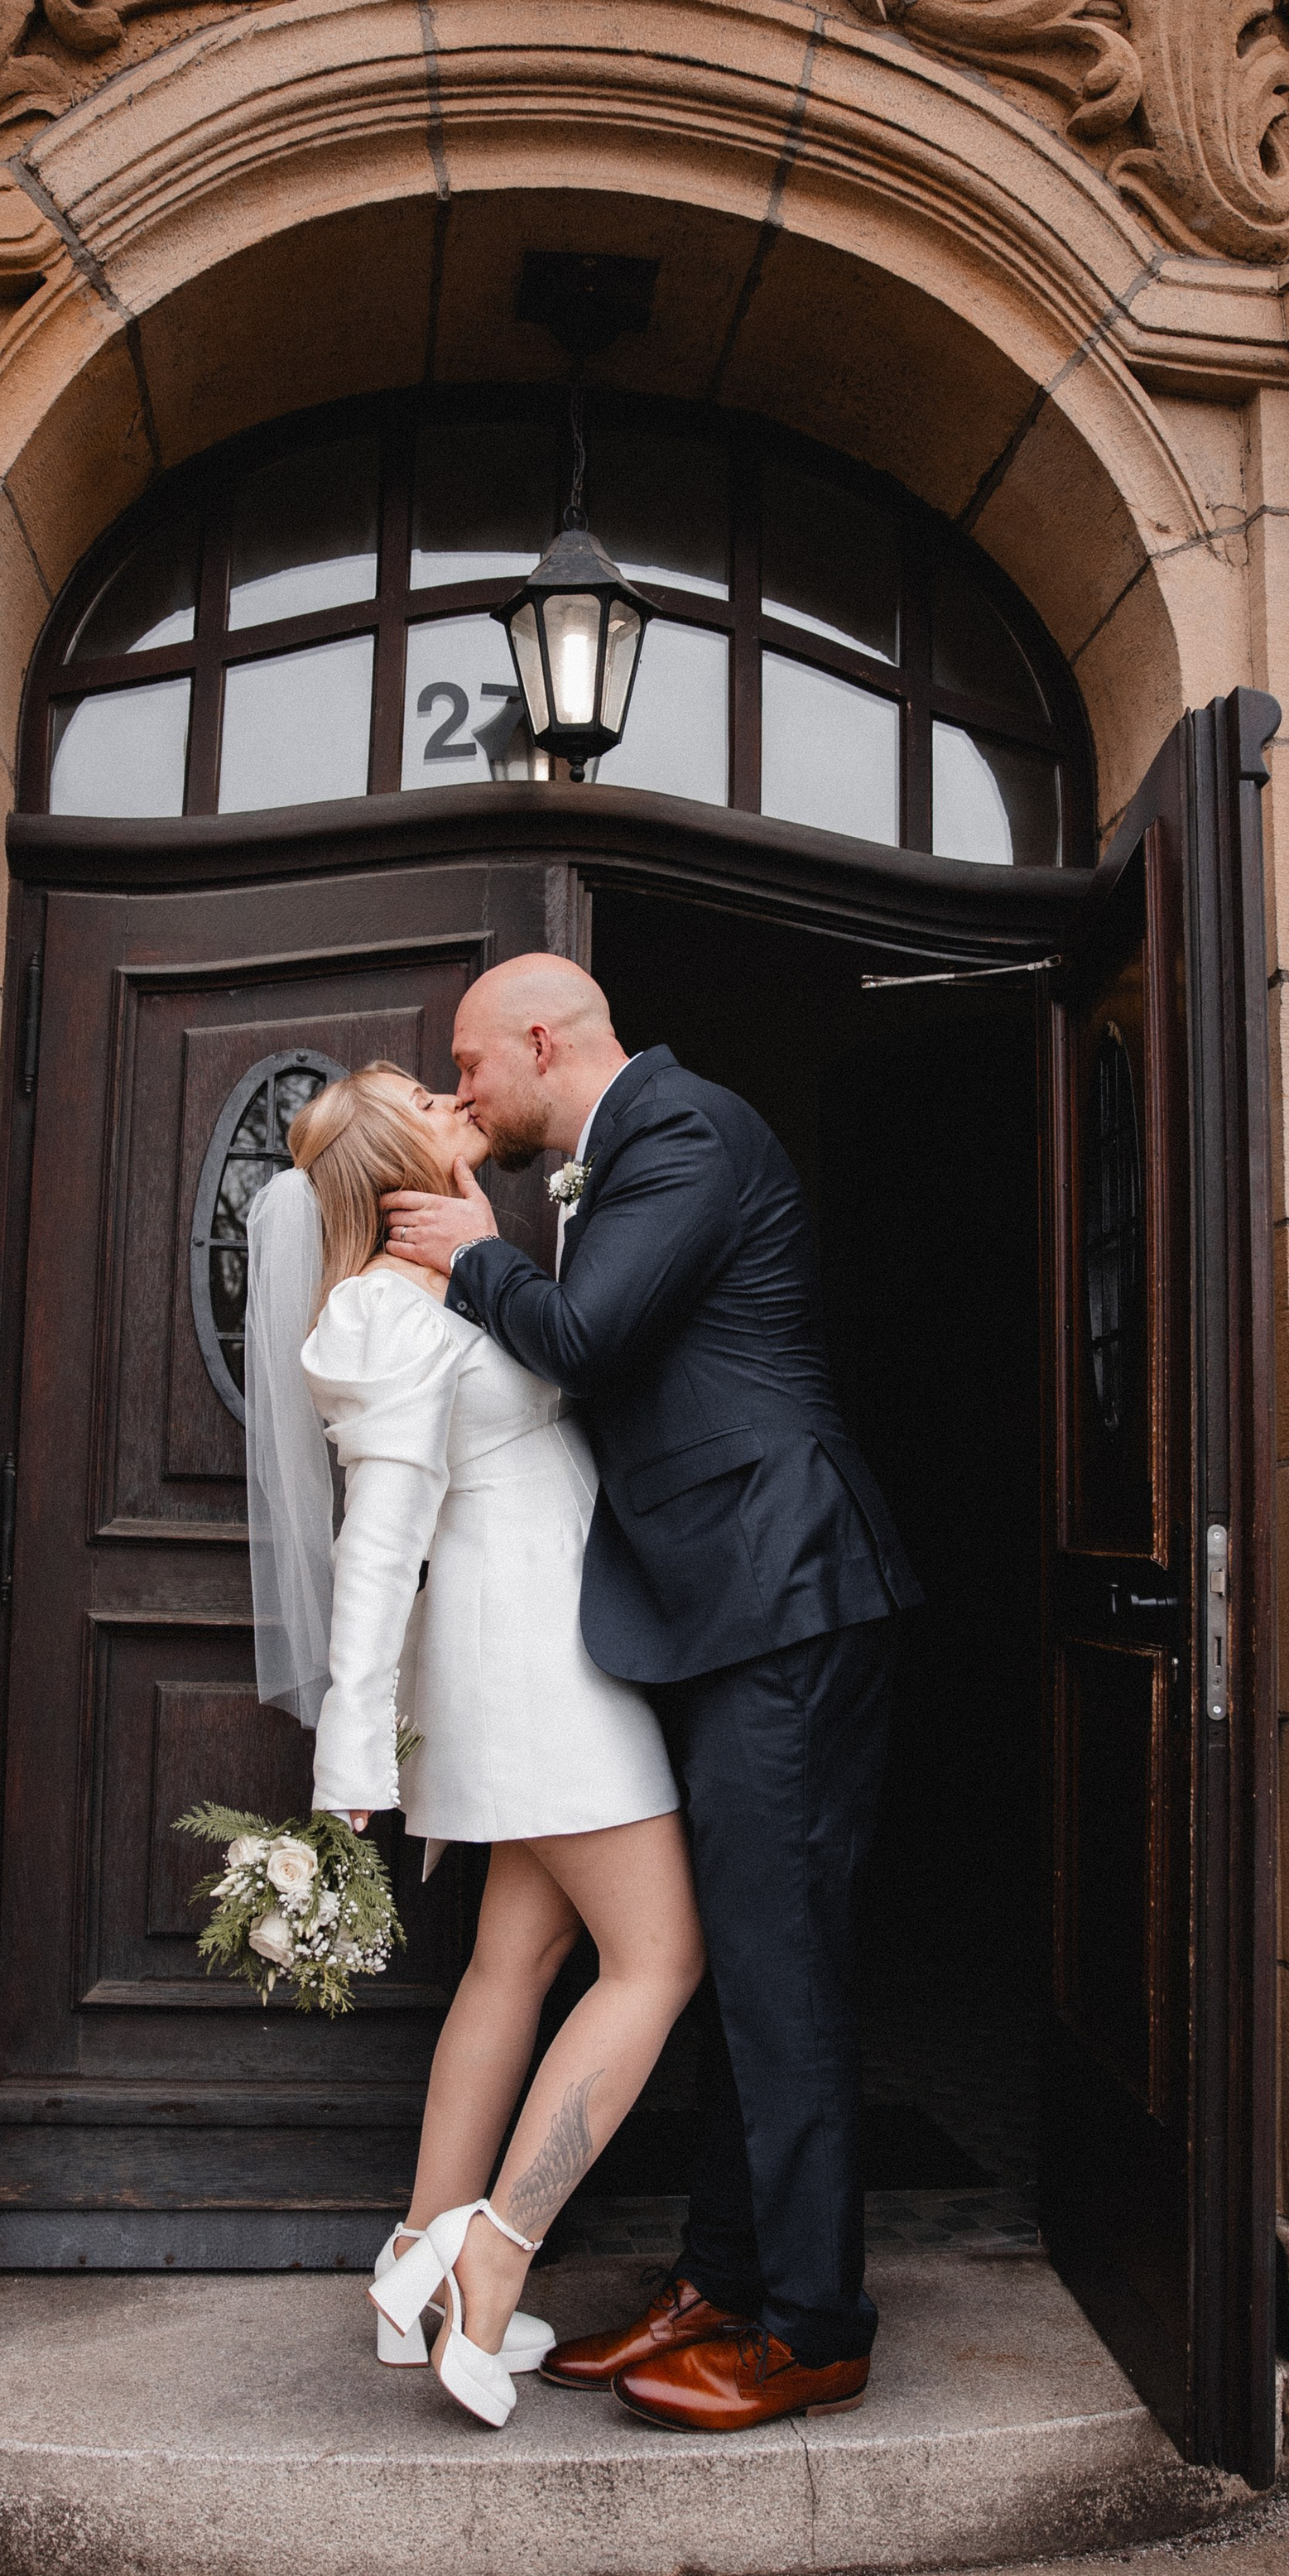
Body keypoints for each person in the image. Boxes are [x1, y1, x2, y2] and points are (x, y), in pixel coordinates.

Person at [382, 956, 921, 2433]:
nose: (467, 1086)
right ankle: (721, 2282)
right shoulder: (623, 1150)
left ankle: (813, 2326)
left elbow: (588, 1337)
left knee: (780, 1966)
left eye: (473, 1062)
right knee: (746, 1959)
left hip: (785, 1603)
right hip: (721, 1616)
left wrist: (470, 1249)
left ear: (544, 1041)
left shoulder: (678, 1130)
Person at [243, 1064, 704, 2430]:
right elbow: (376, 1554)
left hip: (555, 1647)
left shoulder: (467, 1276)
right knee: (660, 1957)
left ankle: (411, 2263)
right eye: (430, 1100)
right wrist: (350, 1771)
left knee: (522, 1954)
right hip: (534, 1668)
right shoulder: (382, 1317)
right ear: (402, 1165)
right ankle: (490, 2256)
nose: (460, 1101)